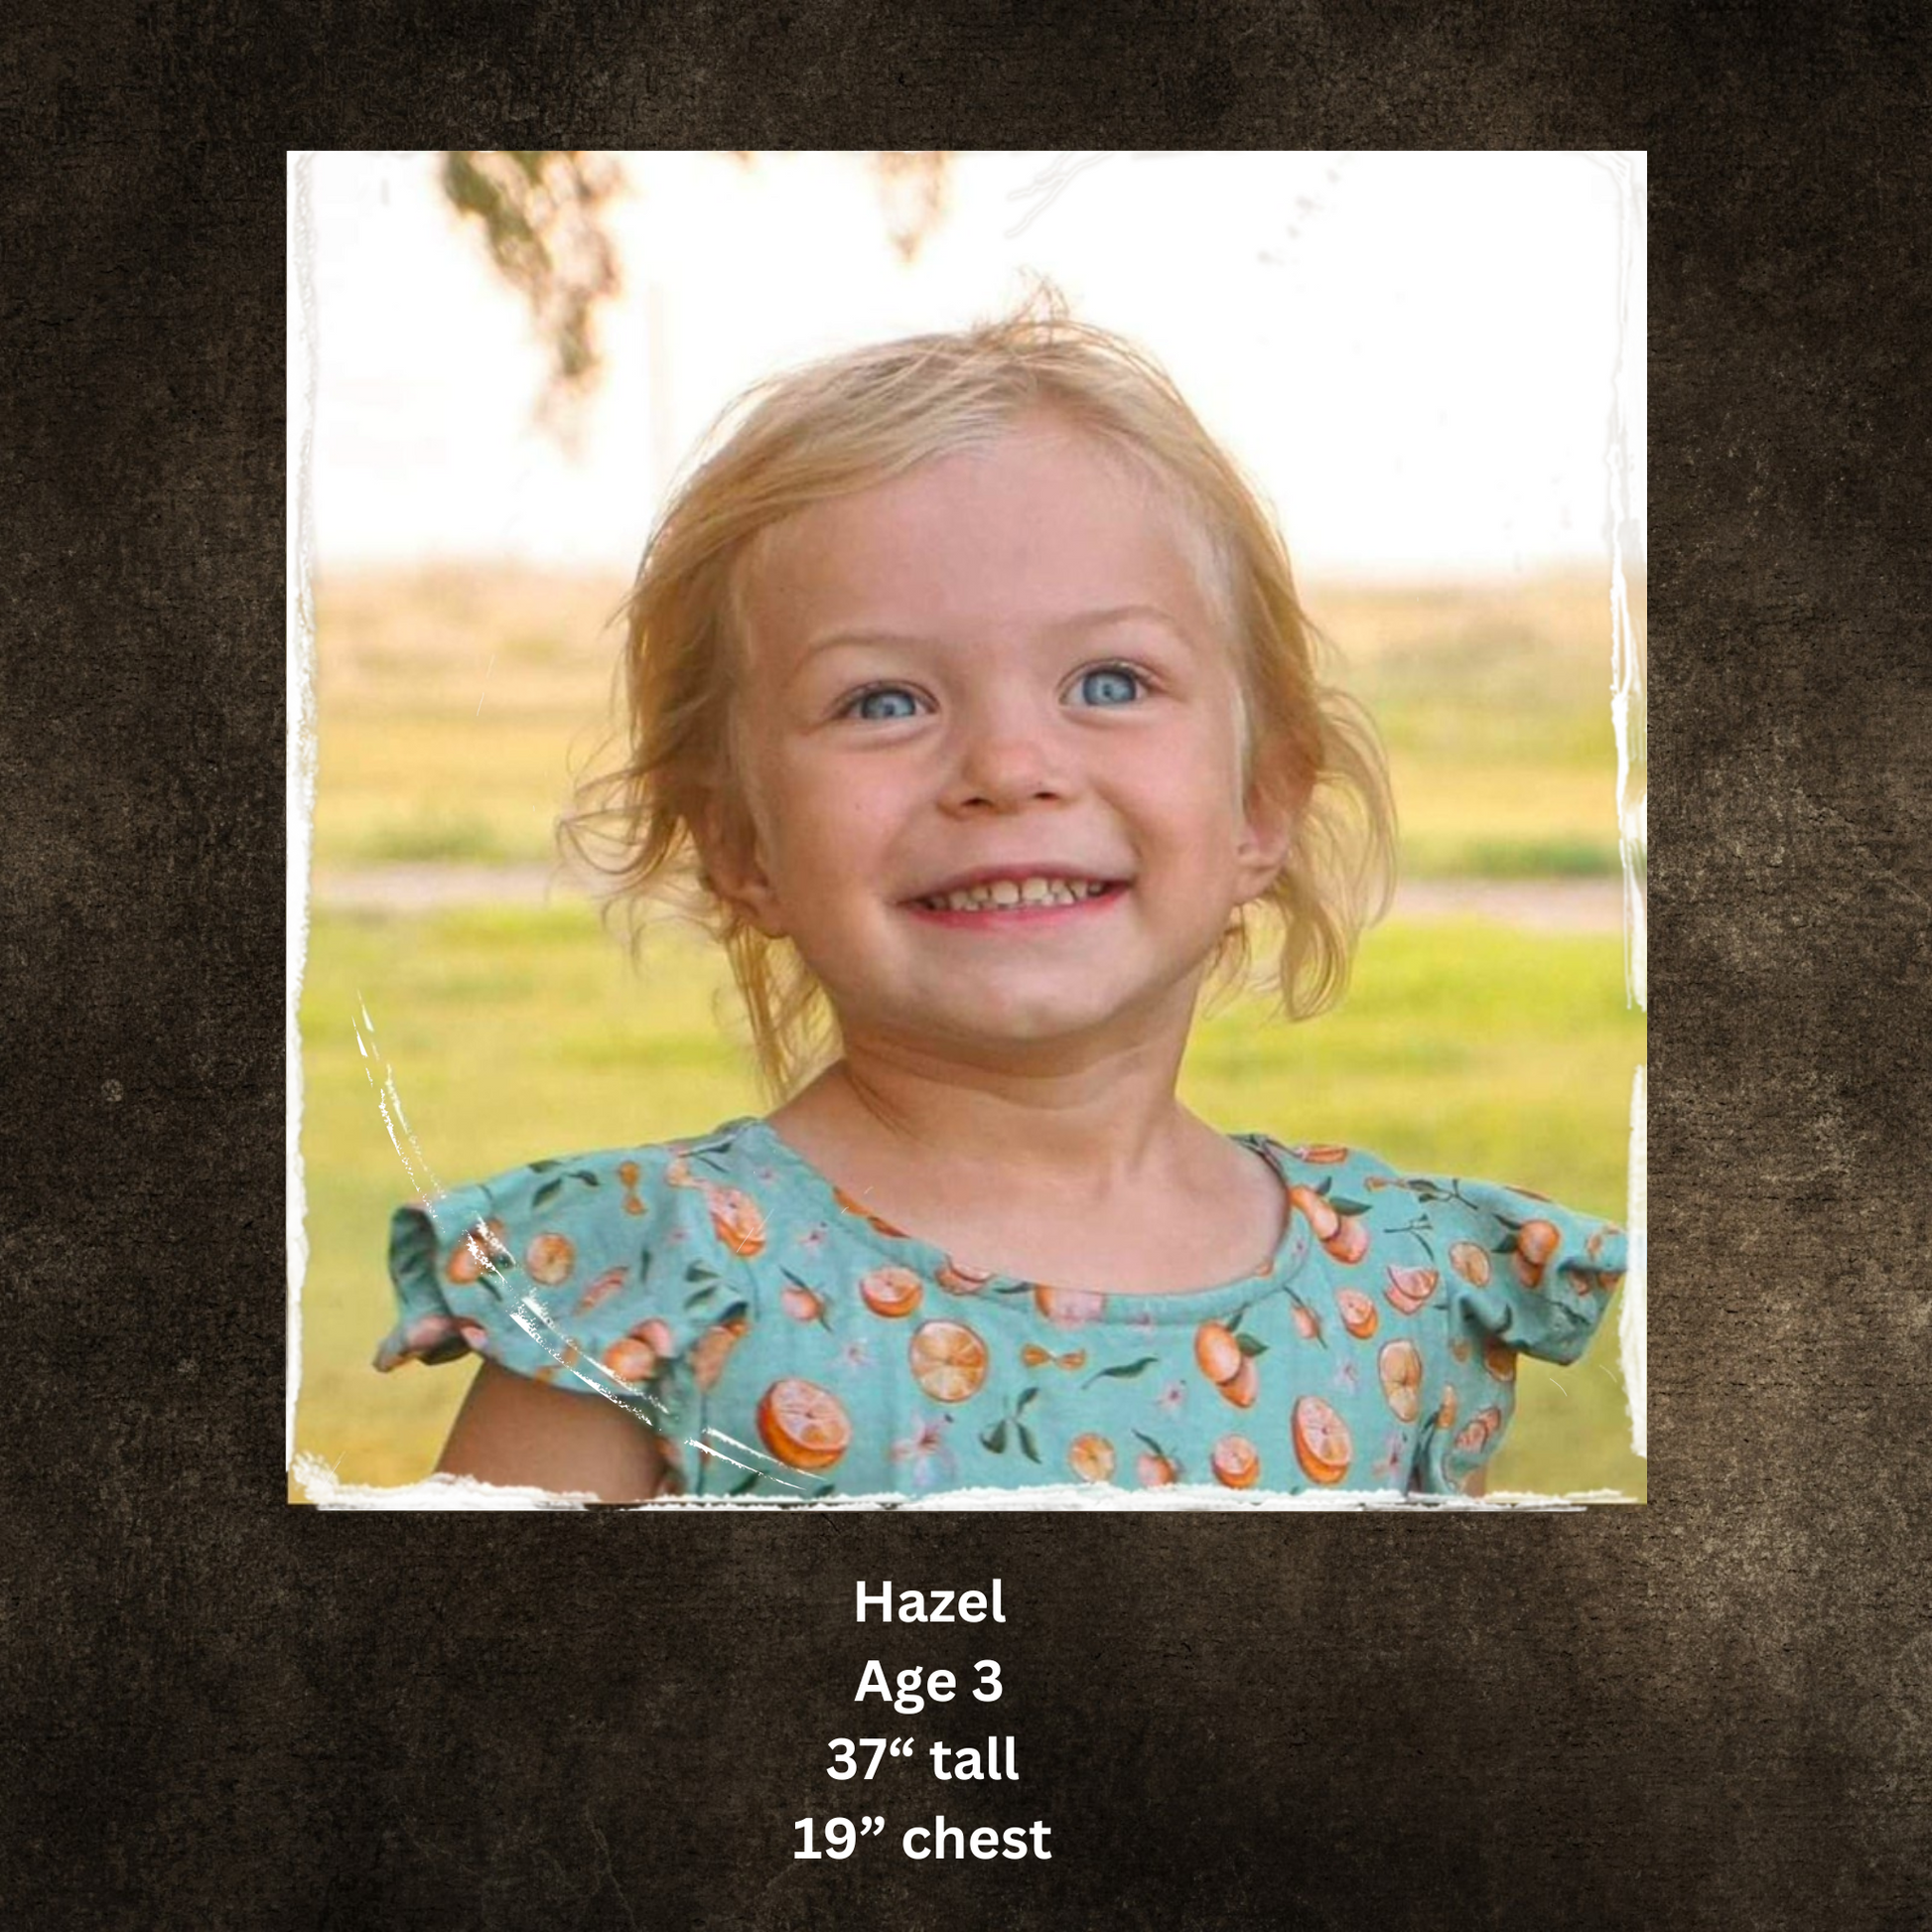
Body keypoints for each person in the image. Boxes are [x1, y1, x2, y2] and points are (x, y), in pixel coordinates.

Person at [374, 293, 1627, 1502]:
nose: (1007, 768)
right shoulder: (645, 1289)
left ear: (1261, 806)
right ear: (741, 843)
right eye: (883, 701)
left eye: (1109, 680)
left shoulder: (1406, 1293)